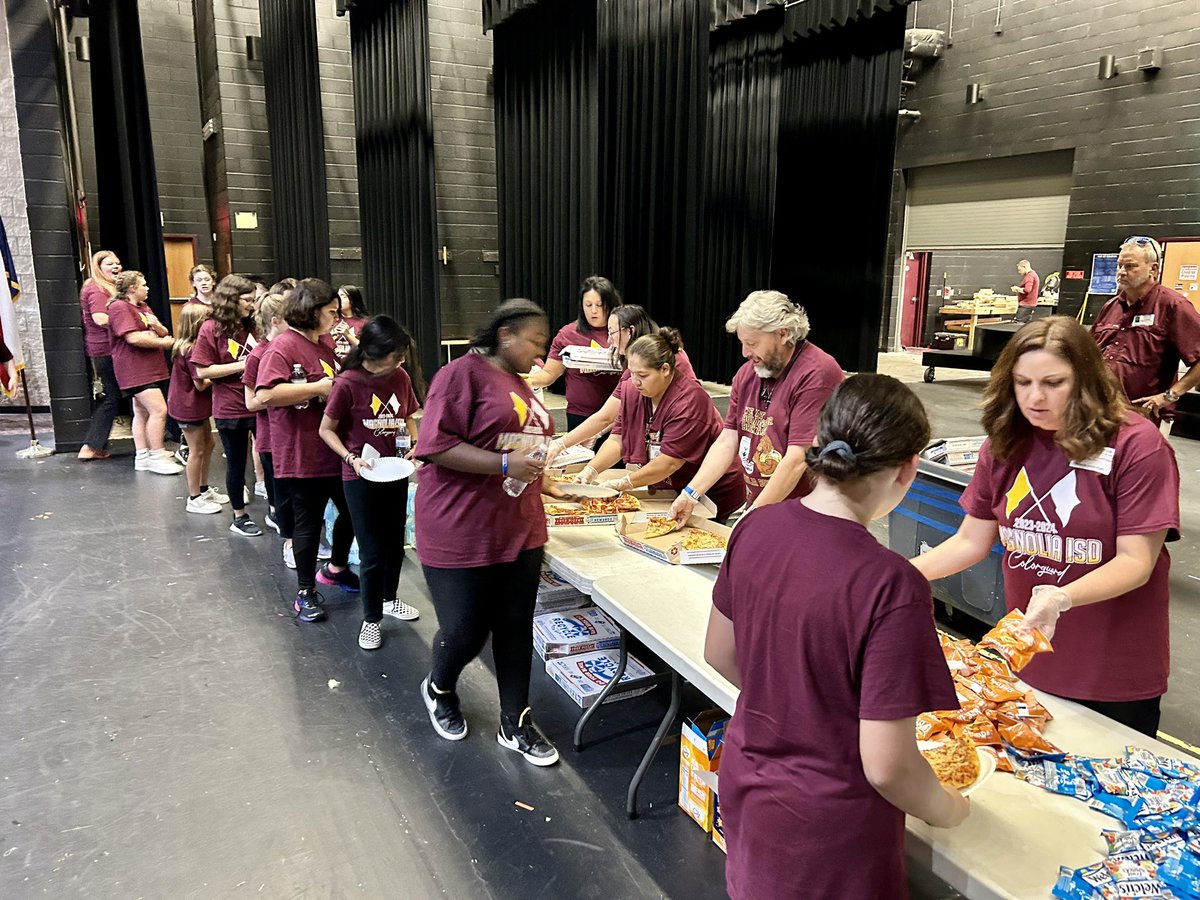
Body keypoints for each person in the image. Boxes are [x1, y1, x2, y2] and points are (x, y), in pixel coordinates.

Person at [704, 374, 969, 900]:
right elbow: (888, 766)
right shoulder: (891, 582)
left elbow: (719, 653)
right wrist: (950, 809)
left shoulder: (754, 529)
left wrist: (794, 702)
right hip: (831, 830)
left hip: (749, 788)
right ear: (908, 468)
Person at [910, 317, 1180, 737]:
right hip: (1027, 657)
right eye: (1022, 382)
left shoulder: (1136, 446)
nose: (1035, 398)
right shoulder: (1005, 442)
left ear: (1086, 379)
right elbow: (970, 540)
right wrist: (896, 573)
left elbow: (1137, 561)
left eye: (1053, 383)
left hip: (1111, 671)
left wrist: (1062, 597)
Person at [413, 298, 559, 766]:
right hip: (459, 526)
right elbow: (434, 446)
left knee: (515, 628)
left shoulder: (520, 383)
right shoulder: (461, 375)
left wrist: (552, 483)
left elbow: (525, 445)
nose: (541, 354)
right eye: (536, 342)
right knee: (464, 630)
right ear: (505, 335)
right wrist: (502, 464)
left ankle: (516, 722)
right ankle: (439, 686)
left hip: (519, 527)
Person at [669, 290, 843, 525]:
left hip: (808, 515)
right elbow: (727, 440)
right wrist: (691, 494)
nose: (745, 353)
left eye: (752, 343)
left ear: (783, 334)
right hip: (765, 508)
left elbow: (798, 458)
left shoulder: (817, 373)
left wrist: (753, 517)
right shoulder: (747, 374)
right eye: (743, 343)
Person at [255, 279, 358, 622]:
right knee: (308, 523)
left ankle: (336, 568)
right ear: (313, 311)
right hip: (301, 451)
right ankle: (305, 592)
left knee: (352, 511)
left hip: (333, 449)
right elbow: (266, 395)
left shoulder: (323, 344)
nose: (335, 318)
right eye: (330, 312)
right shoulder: (284, 346)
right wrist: (318, 388)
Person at [319, 315, 422, 650]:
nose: (401, 362)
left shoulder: (400, 377)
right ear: (374, 354)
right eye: (396, 356)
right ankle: (371, 619)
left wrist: (417, 445)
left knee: (395, 544)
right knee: (373, 550)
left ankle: (390, 599)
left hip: (395, 472)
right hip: (360, 476)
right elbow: (326, 430)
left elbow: (408, 416)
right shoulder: (348, 382)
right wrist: (350, 458)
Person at [576, 333, 744, 520]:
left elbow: (669, 462)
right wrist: (591, 470)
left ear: (665, 369)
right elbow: (617, 439)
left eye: (642, 375)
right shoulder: (633, 391)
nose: (635, 381)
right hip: (671, 489)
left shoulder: (689, 402)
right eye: (631, 373)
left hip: (710, 494)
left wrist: (625, 482)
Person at [546, 305, 695, 461]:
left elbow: (606, 416)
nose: (609, 340)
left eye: (612, 332)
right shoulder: (640, 362)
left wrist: (560, 444)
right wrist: (597, 433)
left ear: (629, 331)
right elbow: (619, 414)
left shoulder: (664, 361)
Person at [1090, 236, 1200, 423]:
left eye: (1130, 266)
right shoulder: (1110, 306)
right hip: (1098, 411)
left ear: (1153, 269)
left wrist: (1170, 396)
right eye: (1119, 265)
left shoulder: (1173, 306)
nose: (1121, 272)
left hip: (1141, 417)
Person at [192, 274, 263, 537]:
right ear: (231, 300)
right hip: (230, 406)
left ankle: (277, 510)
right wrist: (245, 364)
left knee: (269, 459)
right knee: (236, 463)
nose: (252, 306)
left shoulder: (253, 326)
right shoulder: (211, 328)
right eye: (247, 300)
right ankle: (239, 516)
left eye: (254, 301)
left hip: (258, 403)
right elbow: (201, 371)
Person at [106, 271, 183, 476]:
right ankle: (157, 455)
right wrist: (163, 343)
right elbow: (133, 338)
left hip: (150, 367)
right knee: (159, 410)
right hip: (134, 369)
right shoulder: (119, 307)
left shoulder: (142, 307)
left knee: (141, 411)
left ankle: (143, 455)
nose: (147, 288)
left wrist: (158, 328)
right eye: (143, 285)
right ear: (132, 288)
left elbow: (163, 331)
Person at [528, 275, 624, 429]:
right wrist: (523, 380)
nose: (594, 311)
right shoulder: (568, 334)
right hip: (580, 415)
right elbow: (549, 374)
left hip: (618, 415)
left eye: (600, 305)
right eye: (588, 305)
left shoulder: (623, 331)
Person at [244, 293, 295, 561]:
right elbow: (251, 402)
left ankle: (301, 540)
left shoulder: (292, 350)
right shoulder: (258, 355)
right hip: (271, 438)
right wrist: (290, 395)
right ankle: (289, 544)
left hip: (293, 435)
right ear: (275, 321)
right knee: (282, 497)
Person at [168, 302, 225, 514]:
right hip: (187, 406)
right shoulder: (191, 350)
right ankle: (194, 497)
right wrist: (223, 375)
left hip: (195, 406)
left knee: (208, 444)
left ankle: (204, 488)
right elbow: (200, 383)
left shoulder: (186, 346)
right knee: (197, 450)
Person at [77, 250, 124, 461]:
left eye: (118, 263)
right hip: (106, 349)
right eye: (110, 264)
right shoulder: (97, 289)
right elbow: (100, 318)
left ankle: (95, 445)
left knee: (113, 397)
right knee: (112, 398)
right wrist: (131, 322)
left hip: (107, 349)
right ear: (98, 267)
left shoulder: (107, 287)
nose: (116, 267)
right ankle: (91, 446)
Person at [331, 284, 368, 361]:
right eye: (338, 296)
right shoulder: (331, 319)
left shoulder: (364, 323)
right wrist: (333, 335)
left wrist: (347, 334)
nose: (339, 300)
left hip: (354, 364)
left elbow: (366, 349)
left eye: (343, 296)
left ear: (352, 300)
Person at [1011, 259, 1040, 324]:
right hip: (1030, 304)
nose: (1019, 272)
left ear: (1024, 267)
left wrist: (1017, 288)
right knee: (1025, 325)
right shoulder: (1033, 274)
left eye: (1020, 269)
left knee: (1018, 324)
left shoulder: (1030, 276)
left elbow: (1027, 290)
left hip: (1026, 305)